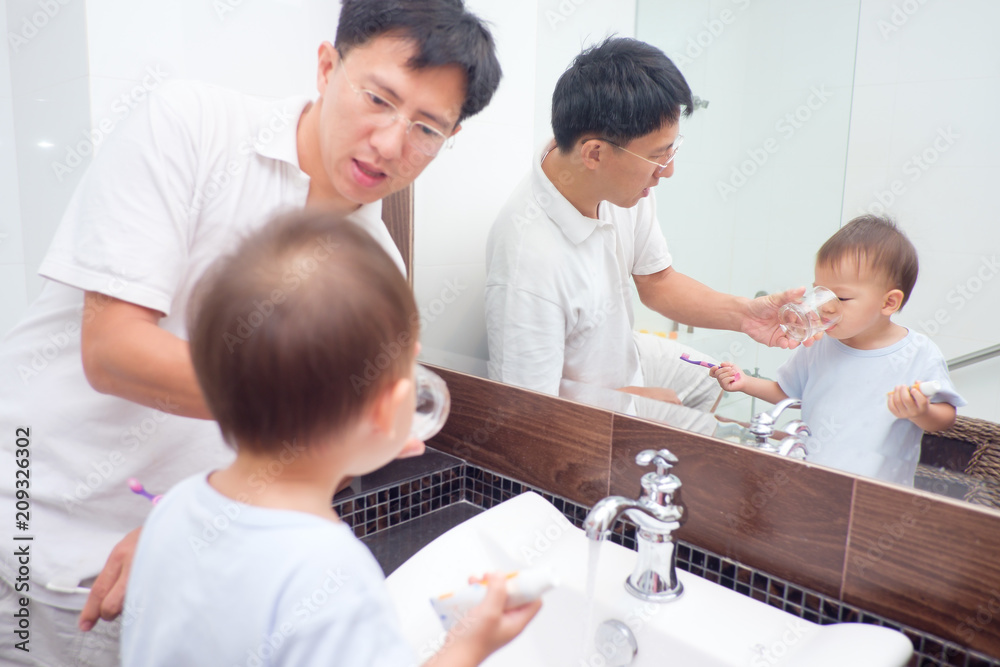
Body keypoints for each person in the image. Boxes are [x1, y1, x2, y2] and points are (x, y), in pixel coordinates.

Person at [0, 1, 501, 664]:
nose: (390, 143)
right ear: (327, 67)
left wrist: (193, 524)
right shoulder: (191, 125)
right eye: (378, 98)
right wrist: (328, 410)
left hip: (170, 548)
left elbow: (286, 455)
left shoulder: (379, 266)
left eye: (427, 128)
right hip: (41, 516)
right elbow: (114, 349)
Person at [119, 210, 539, 666]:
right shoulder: (330, 572)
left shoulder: (173, 511)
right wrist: (468, 644)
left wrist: (364, 440)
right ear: (385, 407)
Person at [484, 38, 810, 413]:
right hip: (573, 408)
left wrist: (746, 314)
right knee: (694, 427)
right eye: (658, 156)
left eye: (672, 150)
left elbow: (657, 282)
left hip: (626, 355)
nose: (668, 171)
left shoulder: (621, 186)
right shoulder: (528, 262)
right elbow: (526, 413)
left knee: (712, 388)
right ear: (594, 153)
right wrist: (627, 403)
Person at [710, 215, 965, 485]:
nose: (825, 307)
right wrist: (744, 382)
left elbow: (946, 417)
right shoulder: (818, 344)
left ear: (888, 302)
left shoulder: (918, 353)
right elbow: (789, 393)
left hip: (877, 497)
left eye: (841, 298)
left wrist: (920, 412)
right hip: (812, 484)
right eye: (820, 292)